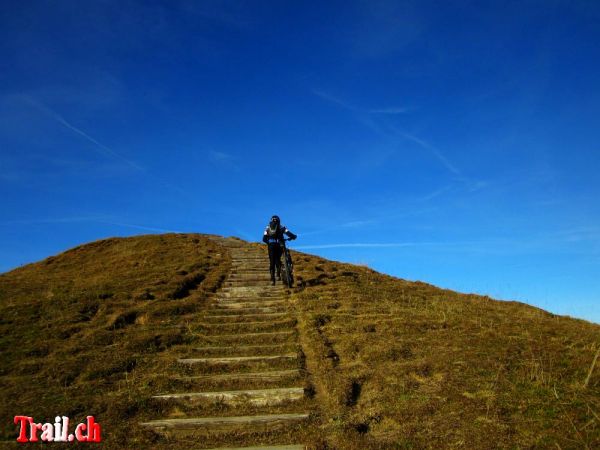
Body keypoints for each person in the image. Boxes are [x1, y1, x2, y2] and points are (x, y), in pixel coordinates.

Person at [262, 215, 297, 285]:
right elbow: (288, 233)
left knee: (272, 261)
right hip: (280, 244)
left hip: (271, 245)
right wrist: (293, 236)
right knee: (278, 259)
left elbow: (264, 239)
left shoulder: (267, 227)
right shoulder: (281, 227)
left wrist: (269, 243)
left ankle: (272, 279)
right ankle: (278, 275)